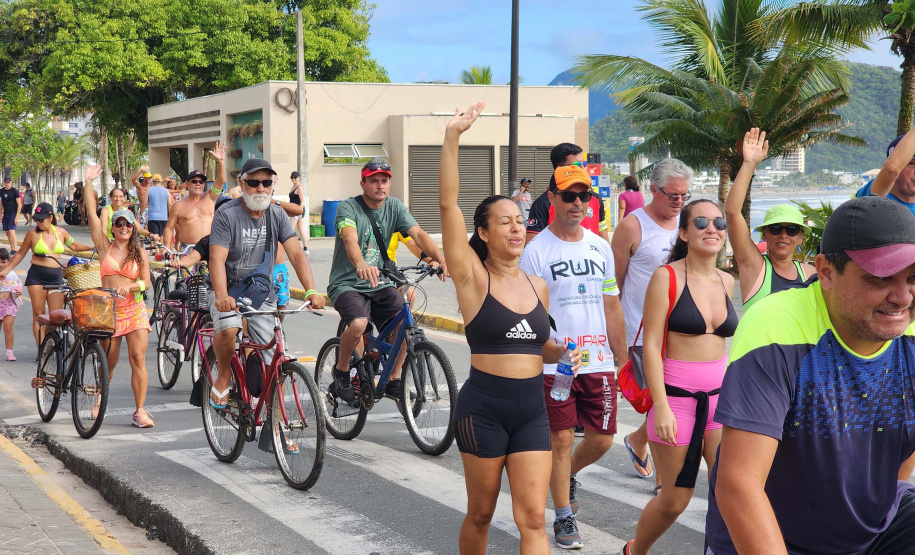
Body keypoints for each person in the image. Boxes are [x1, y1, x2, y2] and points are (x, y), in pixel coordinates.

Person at [706, 195, 915, 555]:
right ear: (827, 272)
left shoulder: (908, 333)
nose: (902, 297)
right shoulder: (778, 326)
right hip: (776, 536)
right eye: (881, 278)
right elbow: (739, 483)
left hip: (868, 527)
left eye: (913, 278)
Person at [441, 102, 581, 554]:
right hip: (483, 409)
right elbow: (448, 205)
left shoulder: (537, 285)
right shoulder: (472, 278)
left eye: (520, 221)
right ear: (484, 233)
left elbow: (541, 348)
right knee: (481, 514)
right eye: (505, 222)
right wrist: (452, 137)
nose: (517, 228)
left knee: (534, 519)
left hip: (531, 411)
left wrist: (562, 352)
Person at [520, 164, 629, 549]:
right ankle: (563, 516)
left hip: (597, 361)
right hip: (557, 363)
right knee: (562, 439)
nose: (578, 203)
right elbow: (531, 313)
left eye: (584, 196)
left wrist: (622, 359)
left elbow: (612, 306)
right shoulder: (536, 251)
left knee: (602, 440)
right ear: (552, 198)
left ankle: (564, 476)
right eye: (569, 195)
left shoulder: (600, 246)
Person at [621, 199, 736, 555]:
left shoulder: (727, 281)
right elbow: (652, 346)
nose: (711, 228)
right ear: (684, 233)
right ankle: (635, 550)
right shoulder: (666, 277)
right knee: (675, 501)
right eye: (701, 222)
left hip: (720, 403)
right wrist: (662, 407)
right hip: (676, 402)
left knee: (730, 491)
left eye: (718, 223)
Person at [208, 157, 325, 408]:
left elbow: (296, 254)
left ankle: (277, 424)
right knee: (228, 329)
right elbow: (217, 259)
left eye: (266, 183)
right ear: (242, 184)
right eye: (253, 182)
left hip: (261, 292)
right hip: (228, 289)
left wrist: (311, 290)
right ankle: (224, 374)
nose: (260, 188)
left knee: (275, 364)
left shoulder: (277, 215)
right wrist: (221, 295)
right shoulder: (226, 215)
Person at [327, 159, 447, 403]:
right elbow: (349, 239)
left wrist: (441, 259)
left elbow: (417, 234)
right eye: (374, 181)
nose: (380, 185)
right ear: (363, 183)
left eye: (384, 180)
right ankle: (341, 370)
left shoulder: (395, 206)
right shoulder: (348, 208)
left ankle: (393, 378)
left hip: (380, 282)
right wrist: (361, 264)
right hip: (347, 283)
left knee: (404, 322)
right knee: (359, 324)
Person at [611, 158, 690, 489]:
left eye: (684, 195)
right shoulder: (632, 227)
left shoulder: (688, 224)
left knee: (675, 399)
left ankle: (639, 439)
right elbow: (613, 286)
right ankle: (663, 476)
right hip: (643, 332)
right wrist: (617, 345)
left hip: (682, 329)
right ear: (653, 190)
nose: (679, 201)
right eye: (672, 195)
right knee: (661, 401)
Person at [848, 124, 915, 483]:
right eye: (912, 162)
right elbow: (890, 170)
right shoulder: (876, 198)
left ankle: (898, 491)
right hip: (872, 319)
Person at [79, 167, 156, 428]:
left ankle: (140, 411)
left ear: (133, 228)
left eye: (128, 224)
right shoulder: (104, 247)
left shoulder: (140, 253)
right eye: (119, 223)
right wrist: (88, 182)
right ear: (113, 228)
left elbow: (146, 282)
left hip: (134, 308)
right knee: (109, 362)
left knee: (138, 358)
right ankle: (100, 397)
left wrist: (132, 287)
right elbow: (92, 213)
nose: (123, 227)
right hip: (108, 310)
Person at [725, 128, 816, 312]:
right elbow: (733, 212)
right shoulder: (755, 266)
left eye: (792, 230)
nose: (783, 235)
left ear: (800, 238)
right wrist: (749, 164)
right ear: (764, 234)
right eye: (776, 229)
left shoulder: (809, 273)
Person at [0, 203, 92, 352]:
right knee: (39, 314)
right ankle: (42, 350)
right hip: (37, 276)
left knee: (56, 318)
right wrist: (6, 270)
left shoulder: (61, 232)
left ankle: (50, 343)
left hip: (56, 277)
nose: (39, 223)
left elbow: (74, 246)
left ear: (50, 217)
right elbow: (20, 254)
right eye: (37, 220)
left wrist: (93, 247)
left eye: (41, 220)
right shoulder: (32, 234)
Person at [526, 143, 610, 244]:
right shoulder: (543, 203)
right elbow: (531, 244)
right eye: (577, 164)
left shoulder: (596, 199)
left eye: (584, 164)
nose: (582, 168)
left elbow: (604, 240)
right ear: (559, 168)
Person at [162, 144, 229, 251]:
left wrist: (221, 161)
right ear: (187, 184)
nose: (198, 184)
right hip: (188, 249)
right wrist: (166, 248)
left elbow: (221, 181)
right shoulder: (178, 205)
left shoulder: (210, 198)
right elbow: (169, 228)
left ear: (203, 185)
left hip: (209, 249)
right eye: (194, 181)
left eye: (201, 182)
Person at [0, 249, 23, 361]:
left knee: (8, 327)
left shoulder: (12, 274)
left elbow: (18, 287)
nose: (1, 265)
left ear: (8, 262)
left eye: (3, 262)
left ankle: (10, 352)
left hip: (9, 304)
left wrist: (19, 292)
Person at [289, 171, 309, 255]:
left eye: (295, 177)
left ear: (299, 178)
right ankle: (305, 248)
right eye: (292, 177)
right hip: (294, 210)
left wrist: (300, 211)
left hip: (297, 211)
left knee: (290, 229)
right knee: (301, 229)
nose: (293, 179)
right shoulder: (294, 186)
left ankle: (292, 248)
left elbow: (302, 200)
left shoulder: (299, 187)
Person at [1, 176, 21, 253]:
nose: (7, 184)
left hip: (13, 213)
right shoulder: (2, 191)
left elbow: (19, 204)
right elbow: (1, 203)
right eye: (6, 182)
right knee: (7, 232)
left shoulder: (14, 191)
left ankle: (15, 248)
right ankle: (12, 248)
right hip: (6, 213)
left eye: (8, 182)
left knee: (12, 231)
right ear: (4, 182)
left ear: (11, 182)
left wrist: (17, 217)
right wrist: (0, 215)